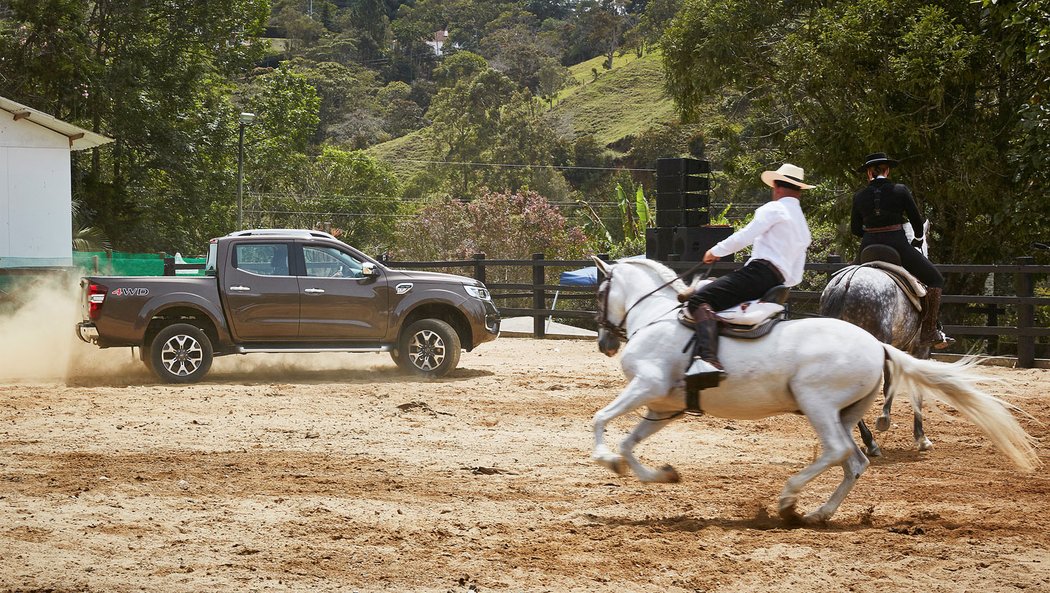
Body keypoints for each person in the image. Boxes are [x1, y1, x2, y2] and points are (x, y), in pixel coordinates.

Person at [685, 163, 814, 391]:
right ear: (799, 191)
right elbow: (797, 272)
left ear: (776, 187)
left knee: (698, 300)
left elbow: (745, 236)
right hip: (778, 281)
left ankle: (707, 359)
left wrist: (715, 251)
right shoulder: (802, 225)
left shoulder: (773, 209)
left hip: (758, 273)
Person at [850, 152, 953, 350]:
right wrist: (917, 239)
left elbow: (856, 230)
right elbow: (916, 221)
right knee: (935, 279)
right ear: (887, 170)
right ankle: (930, 331)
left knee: (844, 278)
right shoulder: (900, 190)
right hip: (897, 246)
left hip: (867, 249)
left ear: (868, 173)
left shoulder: (859, 196)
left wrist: (872, 233)